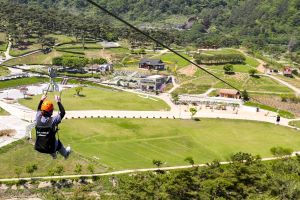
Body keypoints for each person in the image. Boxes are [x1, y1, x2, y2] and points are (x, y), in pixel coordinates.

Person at [35, 95, 71, 159]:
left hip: (39, 146)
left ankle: (53, 155)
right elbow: (62, 112)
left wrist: (41, 100)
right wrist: (58, 101)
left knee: (50, 140)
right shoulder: (52, 121)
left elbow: (38, 109)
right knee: (58, 144)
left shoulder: (38, 118)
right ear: (51, 111)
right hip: (50, 147)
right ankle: (66, 155)